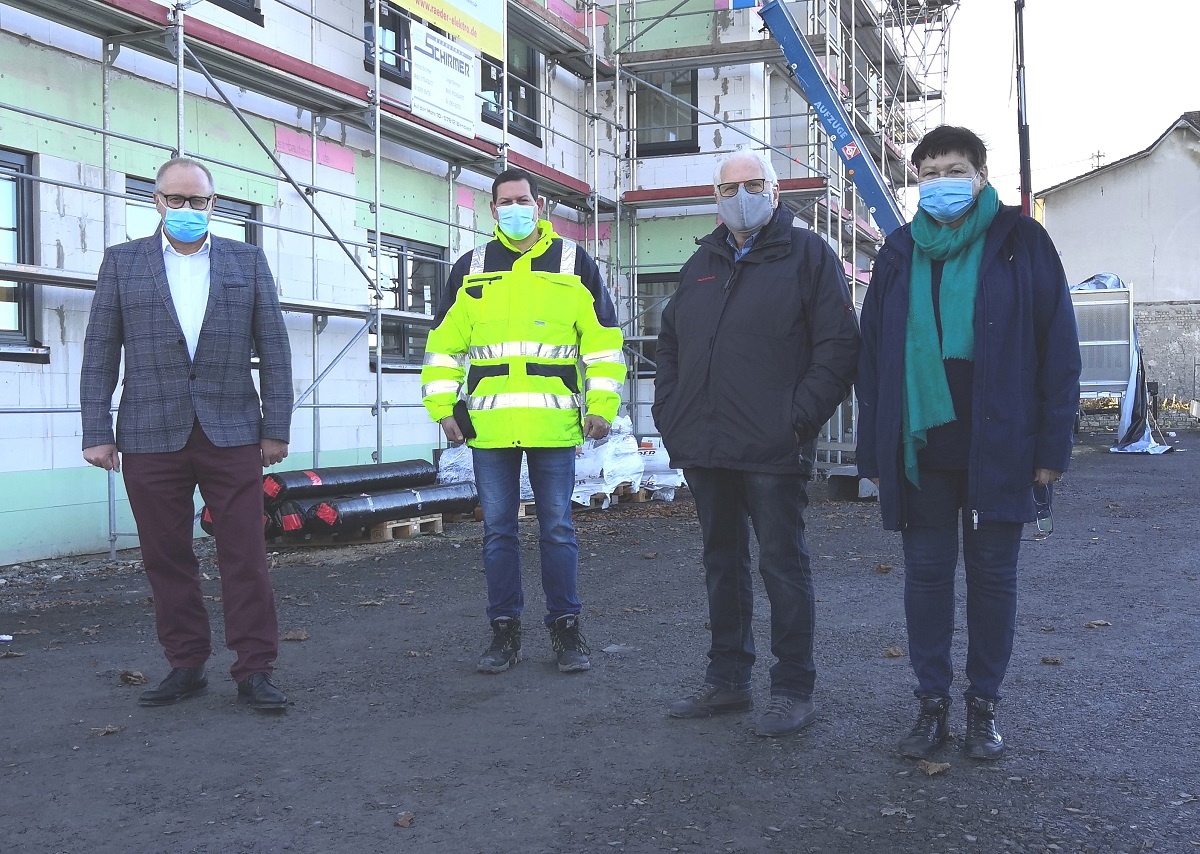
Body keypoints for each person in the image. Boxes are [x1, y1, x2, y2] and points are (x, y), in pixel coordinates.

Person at [856, 126, 1081, 760]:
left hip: (1002, 450)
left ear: (980, 175)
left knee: (992, 582)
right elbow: (872, 357)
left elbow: (1058, 349)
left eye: (952, 169)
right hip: (920, 454)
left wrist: (1050, 452)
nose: (939, 182)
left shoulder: (1021, 242)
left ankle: (984, 707)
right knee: (925, 582)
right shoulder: (899, 252)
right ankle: (931, 705)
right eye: (927, 173)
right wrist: (873, 456)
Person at [653, 150, 861, 737]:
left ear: (774, 190)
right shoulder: (701, 262)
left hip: (772, 445)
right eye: (728, 187)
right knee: (722, 564)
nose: (740, 195)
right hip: (705, 442)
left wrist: (796, 421)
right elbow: (671, 344)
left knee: (782, 566)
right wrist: (670, 412)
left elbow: (838, 347)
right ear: (714, 197)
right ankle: (728, 682)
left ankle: (793, 688)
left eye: (753, 184)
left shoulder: (809, 255)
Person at [81, 157, 294, 712]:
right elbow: (101, 350)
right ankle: (186, 663)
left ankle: (254, 669)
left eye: (197, 201)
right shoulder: (123, 263)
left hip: (233, 431)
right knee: (165, 555)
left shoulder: (246, 262)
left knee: (244, 553)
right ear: (156, 201)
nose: (186, 210)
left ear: (213, 204)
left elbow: (274, 348)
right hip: (149, 431)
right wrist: (96, 430)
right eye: (175, 200)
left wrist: (276, 427)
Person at [422, 167, 626, 674]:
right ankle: (503, 634)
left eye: (523, 200)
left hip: (553, 429)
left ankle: (566, 632)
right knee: (498, 533)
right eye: (504, 201)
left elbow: (602, 344)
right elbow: (443, 346)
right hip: (489, 430)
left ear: (540, 205)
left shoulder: (574, 262)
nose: (515, 208)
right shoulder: (470, 267)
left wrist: (601, 408)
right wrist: (443, 408)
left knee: (557, 529)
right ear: (493, 210)